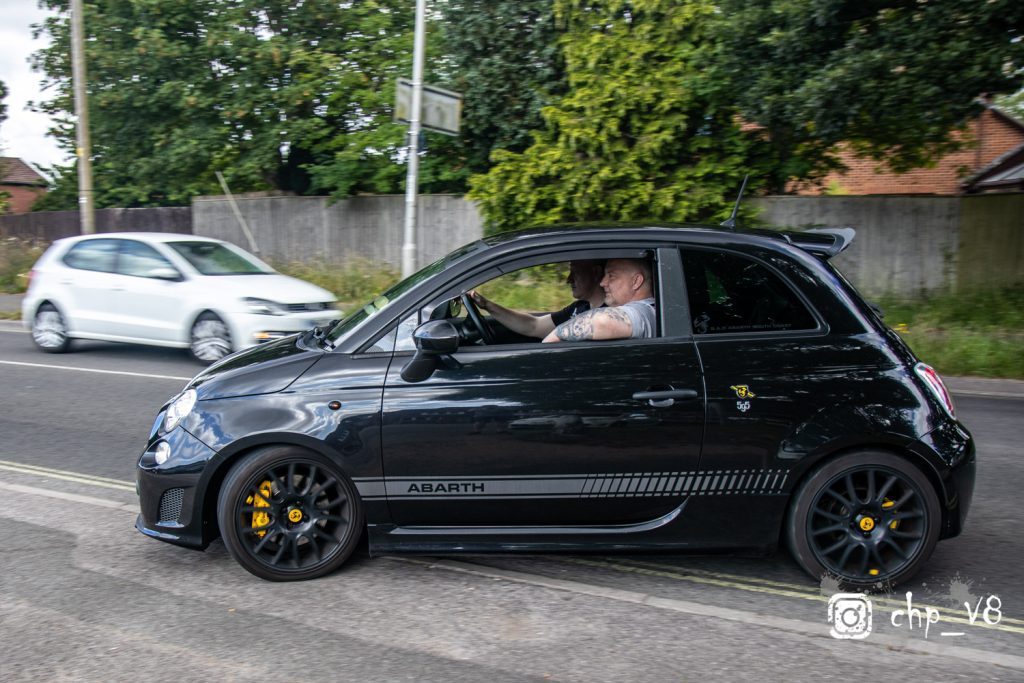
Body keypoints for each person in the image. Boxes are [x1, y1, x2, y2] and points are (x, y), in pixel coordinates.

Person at [468, 260, 605, 339]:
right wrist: (486, 305)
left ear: (596, 273)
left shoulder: (608, 316)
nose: (568, 279)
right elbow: (533, 325)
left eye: (575, 272)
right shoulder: (579, 307)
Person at [541, 258, 655, 343]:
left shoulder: (644, 311)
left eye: (611, 276)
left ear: (636, 281)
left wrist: (553, 337)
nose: (602, 283)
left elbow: (602, 321)